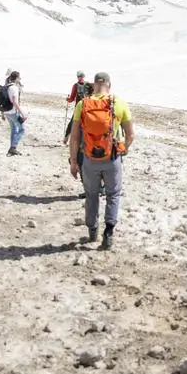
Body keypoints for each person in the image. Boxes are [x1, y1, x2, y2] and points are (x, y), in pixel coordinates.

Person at [68, 72, 133, 250]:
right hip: (112, 158)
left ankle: (92, 231)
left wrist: (74, 162)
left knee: (91, 195)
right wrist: (123, 150)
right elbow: (130, 134)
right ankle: (108, 234)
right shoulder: (119, 103)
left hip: (89, 159)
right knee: (113, 195)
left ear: (94, 85)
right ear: (109, 85)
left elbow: (74, 137)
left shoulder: (83, 104)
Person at [63, 71, 93, 145]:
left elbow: (71, 99)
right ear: (84, 76)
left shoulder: (75, 86)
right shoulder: (89, 85)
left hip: (78, 108)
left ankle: (66, 139)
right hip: (88, 107)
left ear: (77, 77)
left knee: (72, 122)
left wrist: (67, 99)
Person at [0, 70, 26, 156]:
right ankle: (13, 148)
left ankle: (12, 149)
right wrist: (22, 113)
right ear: (17, 78)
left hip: (7, 112)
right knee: (22, 129)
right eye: (19, 78)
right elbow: (15, 102)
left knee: (14, 129)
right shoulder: (14, 88)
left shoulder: (6, 86)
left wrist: (2, 113)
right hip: (14, 112)